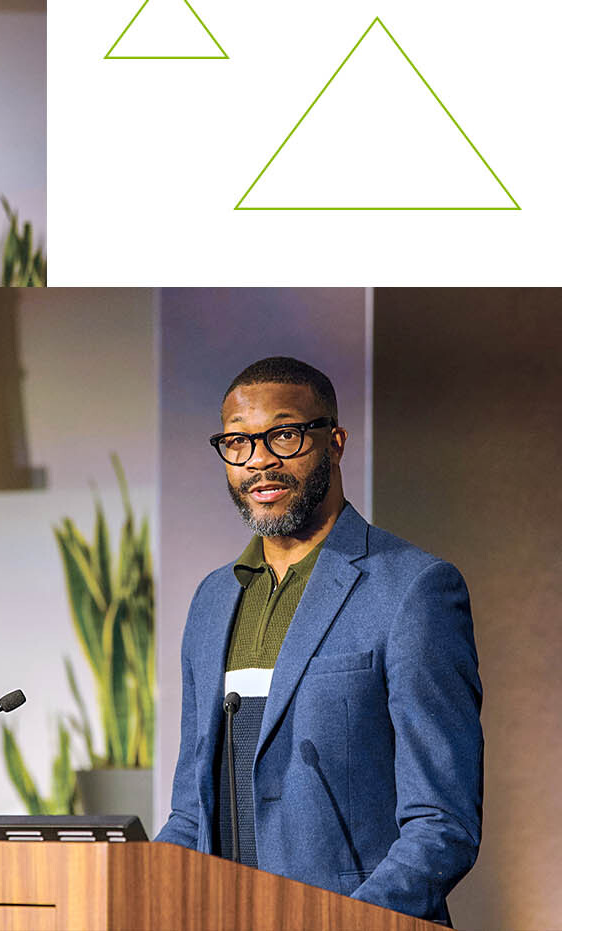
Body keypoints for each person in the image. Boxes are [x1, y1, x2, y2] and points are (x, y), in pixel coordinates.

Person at [157, 356, 482, 923]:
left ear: (334, 442)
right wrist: (138, 888)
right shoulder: (212, 601)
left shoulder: (414, 588)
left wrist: (342, 923)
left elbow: (441, 824)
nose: (260, 461)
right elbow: (192, 812)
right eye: (237, 443)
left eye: (284, 436)